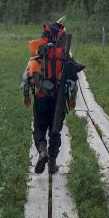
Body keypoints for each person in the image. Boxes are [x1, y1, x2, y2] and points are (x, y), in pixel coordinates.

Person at [21, 19, 81, 174]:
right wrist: (72, 99)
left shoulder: (38, 55)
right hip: (58, 100)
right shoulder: (65, 57)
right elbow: (73, 81)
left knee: (39, 128)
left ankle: (42, 151)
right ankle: (52, 163)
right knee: (55, 132)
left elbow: (26, 77)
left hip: (41, 97)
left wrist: (26, 95)